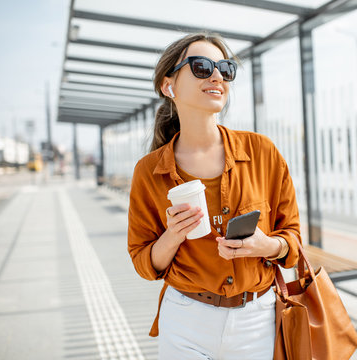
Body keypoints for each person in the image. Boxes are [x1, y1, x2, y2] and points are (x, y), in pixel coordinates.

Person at [127, 32, 301, 360]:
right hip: (185, 319)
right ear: (169, 86)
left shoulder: (262, 152)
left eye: (225, 68)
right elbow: (144, 263)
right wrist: (173, 235)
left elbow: (293, 242)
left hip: (257, 319)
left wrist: (267, 246)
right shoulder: (149, 172)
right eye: (202, 66)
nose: (218, 76)